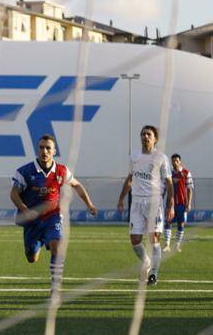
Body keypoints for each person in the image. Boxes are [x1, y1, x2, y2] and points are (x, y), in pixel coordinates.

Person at [11, 134, 98, 293]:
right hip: (32, 221)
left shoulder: (62, 171)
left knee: (57, 245)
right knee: (31, 258)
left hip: (53, 216)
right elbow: (14, 193)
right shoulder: (25, 171)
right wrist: (24, 209)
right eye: (41, 148)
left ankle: (56, 286)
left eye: (48, 148)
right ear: (37, 150)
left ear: (54, 151)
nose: (44, 151)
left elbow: (76, 185)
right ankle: (37, 246)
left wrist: (89, 204)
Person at [117, 125, 174, 286]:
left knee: (154, 238)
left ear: (155, 139)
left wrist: (171, 204)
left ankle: (154, 274)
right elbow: (129, 179)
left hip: (154, 202)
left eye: (148, 134)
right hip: (136, 202)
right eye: (143, 134)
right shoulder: (134, 156)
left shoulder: (161, 158)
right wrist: (121, 199)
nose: (145, 136)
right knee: (135, 240)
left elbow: (169, 182)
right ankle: (147, 261)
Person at [162, 153, 192, 252]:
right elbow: (164, 188)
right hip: (170, 204)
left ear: (180, 162)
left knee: (181, 224)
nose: (175, 162)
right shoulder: (168, 174)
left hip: (182, 204)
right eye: (173, 161)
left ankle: (177, 245)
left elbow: (189, 189)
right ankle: (167, 245)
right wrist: (161, 200)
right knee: (168, 223)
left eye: (177, 161)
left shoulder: (186, 173)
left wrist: (189, 203)